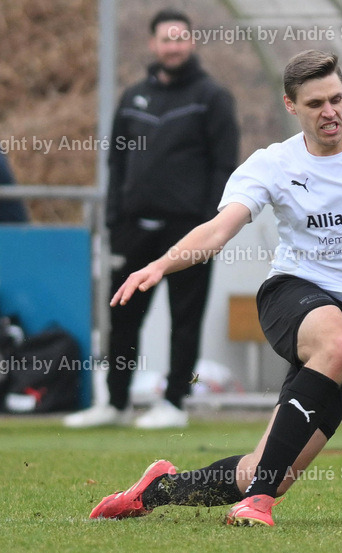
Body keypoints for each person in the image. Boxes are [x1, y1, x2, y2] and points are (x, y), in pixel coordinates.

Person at [88, 50, 342, 528]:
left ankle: (157, 490)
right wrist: (161, 264)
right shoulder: (273, 163)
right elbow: (218, 231)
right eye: (315, 104)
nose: (329, 112)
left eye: (336, 99)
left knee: (269, 470)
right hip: (294, 294)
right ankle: (257, 504)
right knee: (338, 344)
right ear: (291, 105)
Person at [64, 9, 240, 429]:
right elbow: (116, 161)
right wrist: (114, 219)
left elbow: (224, 165)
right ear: (153, 44)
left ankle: (174, 402)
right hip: (133, 229)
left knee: (185, 320)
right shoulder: (133, 97)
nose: (173, 47)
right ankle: (115, 403)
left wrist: (208, 224)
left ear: (191, 42)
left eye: (180, 39)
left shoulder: (212, 98)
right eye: (166, 39)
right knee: (123, 318)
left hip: (188, 232)